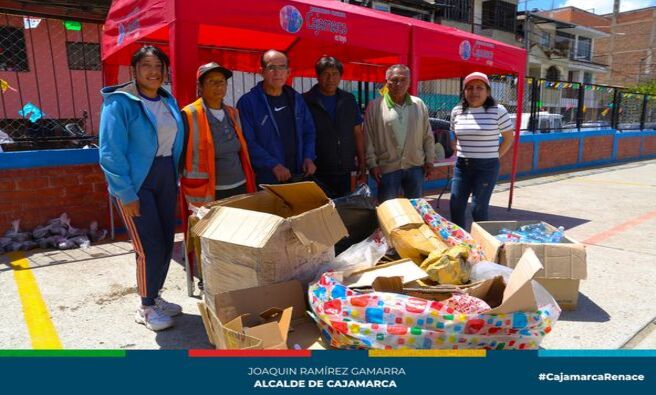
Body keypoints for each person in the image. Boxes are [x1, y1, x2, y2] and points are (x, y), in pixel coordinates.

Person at [99, 45, 184, 332]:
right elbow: (110, 152)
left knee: (165, 243)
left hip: (165, 177)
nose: (153, 72)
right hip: (137, 183)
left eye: (159, 66)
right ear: (134, 70)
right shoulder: (119, 103)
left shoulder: (168, 100)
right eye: (147, 65)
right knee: (149, 246)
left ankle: (155, 296)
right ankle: (145, 307)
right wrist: (125, 193)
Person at [236, 49, 316, 185]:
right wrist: (273, 164)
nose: (277, 72)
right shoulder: (248, 102)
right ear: (261, 71)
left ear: (288, 72)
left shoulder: (296, 99)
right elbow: (247, 141)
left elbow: (309, 131)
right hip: (266, 179)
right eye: (271, 67)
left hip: (297, 176)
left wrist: (308, 157)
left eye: (282, 67)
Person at [180, 62, 256, 206]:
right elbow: (181, 155)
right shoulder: (189, 114)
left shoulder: (233, 113)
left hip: (240, 185)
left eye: (221, 81)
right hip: (209, 191)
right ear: (200, 87)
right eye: (211, 81)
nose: (218, 85)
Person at [449, 71, 514, 229]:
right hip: (462, 166)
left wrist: (494, 156)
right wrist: (456, 149)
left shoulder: (498, 110)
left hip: (487, 167)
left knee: (478, 209)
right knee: (455, 206)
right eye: (470, 88)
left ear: (487, 91)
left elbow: (508, 138)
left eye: (479, 87)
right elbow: (454, 134)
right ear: (464, 91)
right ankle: (460, 244)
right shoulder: (457, 111)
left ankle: (484, 244)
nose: (474, 92)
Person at [364, 64, 436, 202]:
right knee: (389, 210)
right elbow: (368, 139)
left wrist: (430, 160)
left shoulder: (419, 104)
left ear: (409, 82)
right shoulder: (375, 106)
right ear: (387, 82)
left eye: (403, 80)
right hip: (388, 167)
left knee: (415, 209)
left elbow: (427, 135)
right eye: (394, 80)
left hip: (416, 166)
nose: (399, 84)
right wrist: (372, 164)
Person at [303, 56, 365, 198]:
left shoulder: (348, 99)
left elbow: (358, 133)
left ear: (340, 77)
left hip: (344, 169)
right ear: (317, 77)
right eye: (326, 74)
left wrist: (362, 163)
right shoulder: (305, 101)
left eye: (335, 74)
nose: (330, 79)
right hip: (316, 170)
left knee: (343, 211)